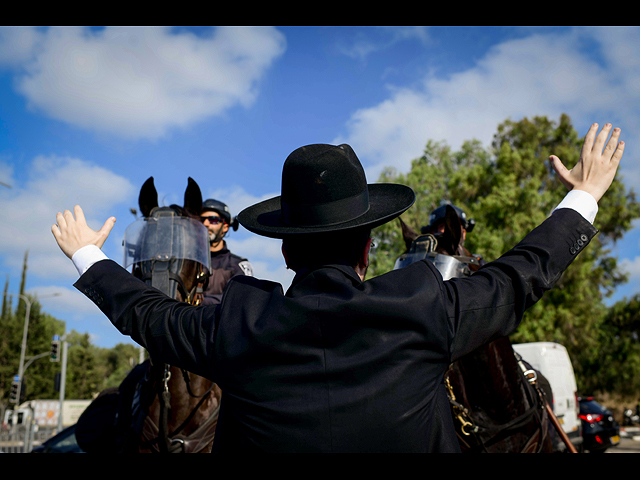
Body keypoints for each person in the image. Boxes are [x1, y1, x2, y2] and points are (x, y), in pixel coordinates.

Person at [52, 123, 624, 452]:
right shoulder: (425, 306)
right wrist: (585, 195)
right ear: (368, 247)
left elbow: (148, 315)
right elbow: (522, 274)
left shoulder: (237, 325)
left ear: (285, 248)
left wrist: (87, 255)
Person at [199, 198, 253, 305]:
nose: (205, 224)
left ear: (225, 227)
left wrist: (198, 302)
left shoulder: (238, 265)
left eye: (213, 220)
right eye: (201, 220)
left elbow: (241, 299)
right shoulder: (188, 262)